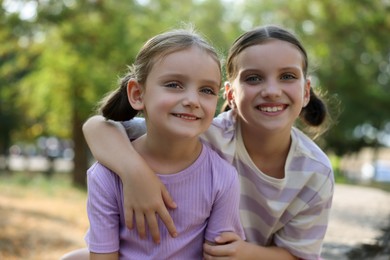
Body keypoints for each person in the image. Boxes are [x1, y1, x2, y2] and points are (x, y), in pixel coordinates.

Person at [83, 25, 334, 260]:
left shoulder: (315, 172)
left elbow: (301, 255)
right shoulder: (201, 133)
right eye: (254, 78)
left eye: (287, 76)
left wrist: (245, 253)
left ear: (305, 91)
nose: (271, 90)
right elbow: (98, 127)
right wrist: (135, 174)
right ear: (230, 94)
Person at [81, 28, 245, 259]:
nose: (192, 100)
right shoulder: (107, 175)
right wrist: (135, 174)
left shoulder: (223, 178)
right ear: (138, 94)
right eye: (174, 84)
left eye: (206, 90)